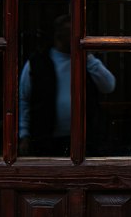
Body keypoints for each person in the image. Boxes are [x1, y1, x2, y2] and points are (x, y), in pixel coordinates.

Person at [18, 15, 115, 156]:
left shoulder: (87, 61)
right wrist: (24, 135)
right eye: (69, 33)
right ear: (57, 35)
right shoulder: (37, 63)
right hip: (46, 139)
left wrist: (86, 56)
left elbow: (109, 86)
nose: (74, 38)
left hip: (85, 138)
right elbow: (24, 100)